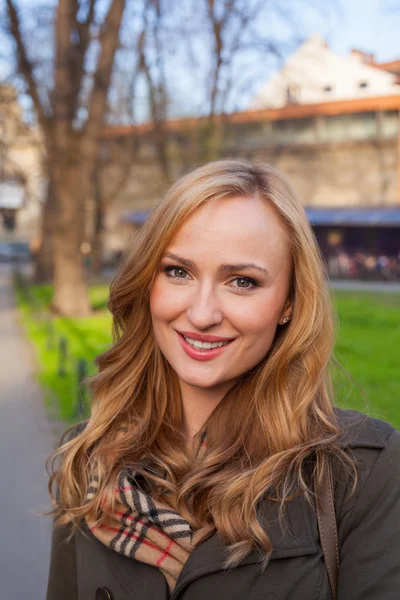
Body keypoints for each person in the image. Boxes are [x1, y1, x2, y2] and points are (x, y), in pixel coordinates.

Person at [46, 159, 400, 600]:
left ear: (288, 302)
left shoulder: (361, 473)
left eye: (242, 281)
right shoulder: (90, 457)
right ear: (147, 282)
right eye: (178, 271)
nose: (201, 313)